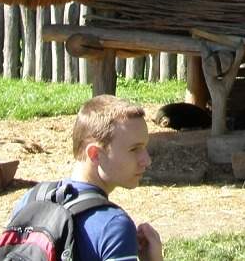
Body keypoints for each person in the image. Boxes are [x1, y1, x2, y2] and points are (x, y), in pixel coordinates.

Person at [14, 95, 163, 261]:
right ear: (95, 154)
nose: (147, 160)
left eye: (144, 147)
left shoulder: (30, 200)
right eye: (135, 149)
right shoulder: (113, 225)